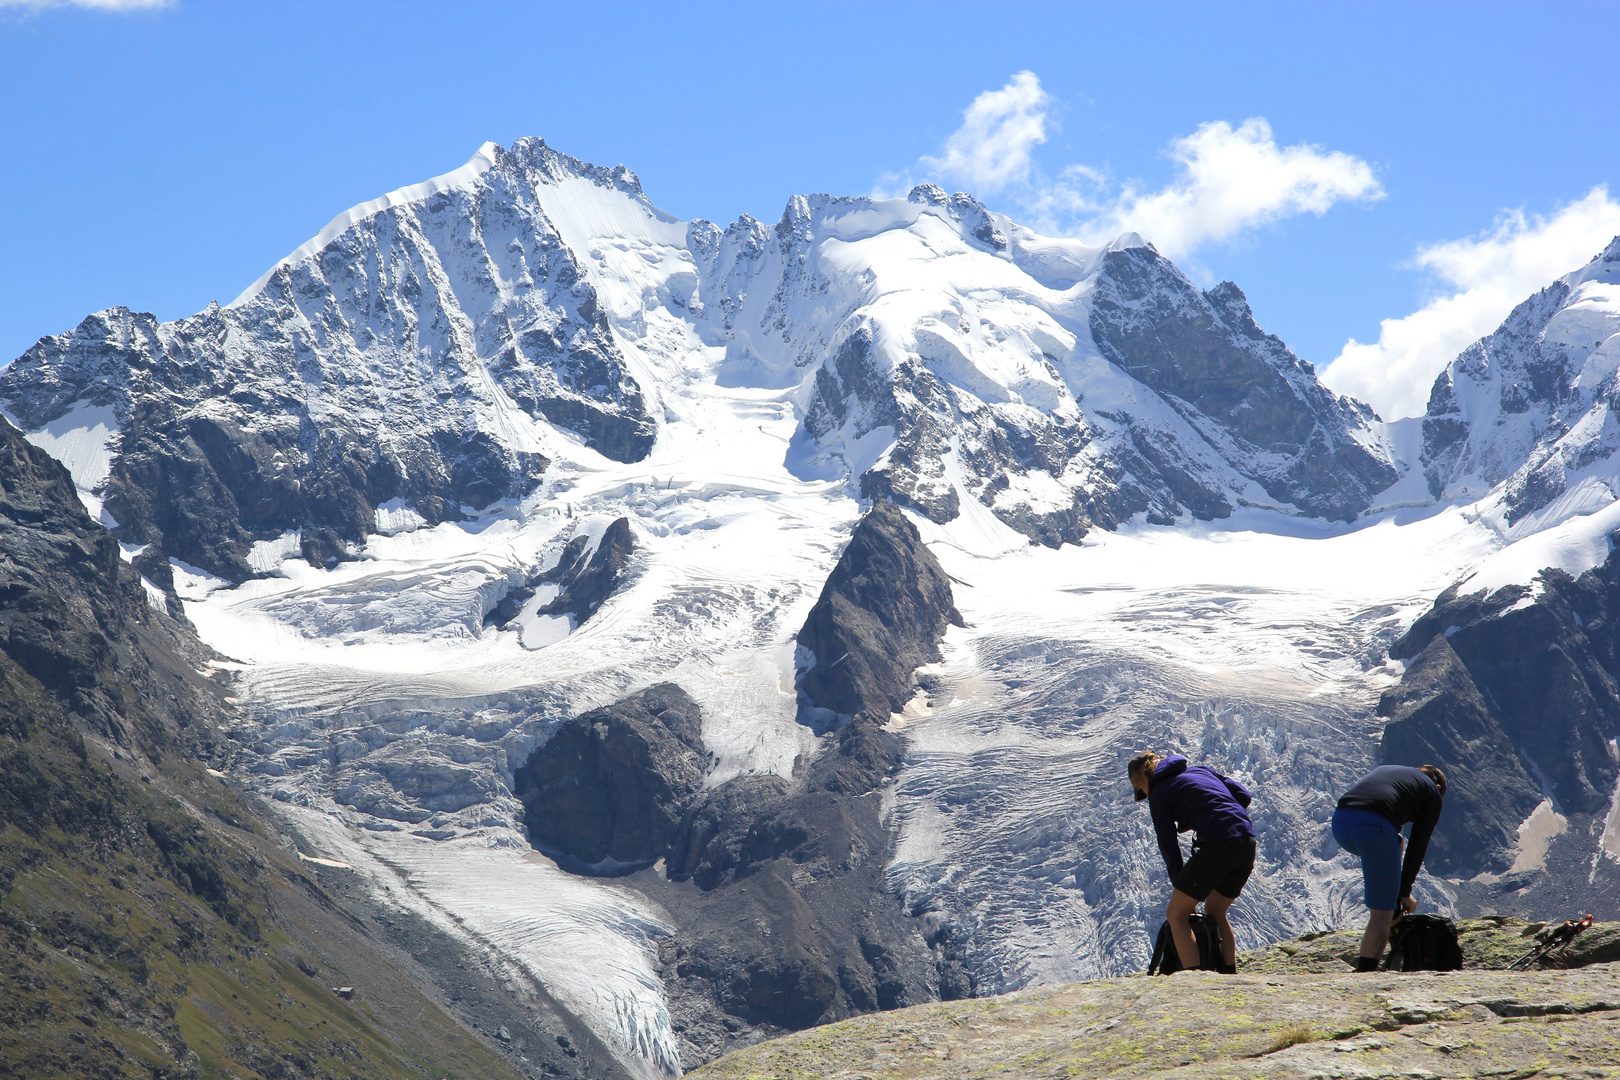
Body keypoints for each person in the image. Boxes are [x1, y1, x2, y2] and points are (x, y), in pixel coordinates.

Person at [1128, 751, 1256, 974]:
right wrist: (1200, 810)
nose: (1145, 795)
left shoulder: (1159, 791)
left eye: (1142, 791)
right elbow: (1243, 796)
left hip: (1218, 844)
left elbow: (1167, 842)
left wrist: (1180, 882)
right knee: (1215, 911)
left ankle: (1194, 980)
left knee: (1176, 915)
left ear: (1144, 781)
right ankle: (1229, 972)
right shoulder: (1199, 770)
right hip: (1246, 841)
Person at [1331, 764, 1446, 972]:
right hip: (1373, 828)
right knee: (1382, 914)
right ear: (1437, 786)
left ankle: (1390, 897)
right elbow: (1418, 846)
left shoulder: (1392, 772)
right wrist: (1404, 892)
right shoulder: (1432, 791)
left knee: (1394, 841)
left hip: (1341, 824)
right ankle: (1366, 971)